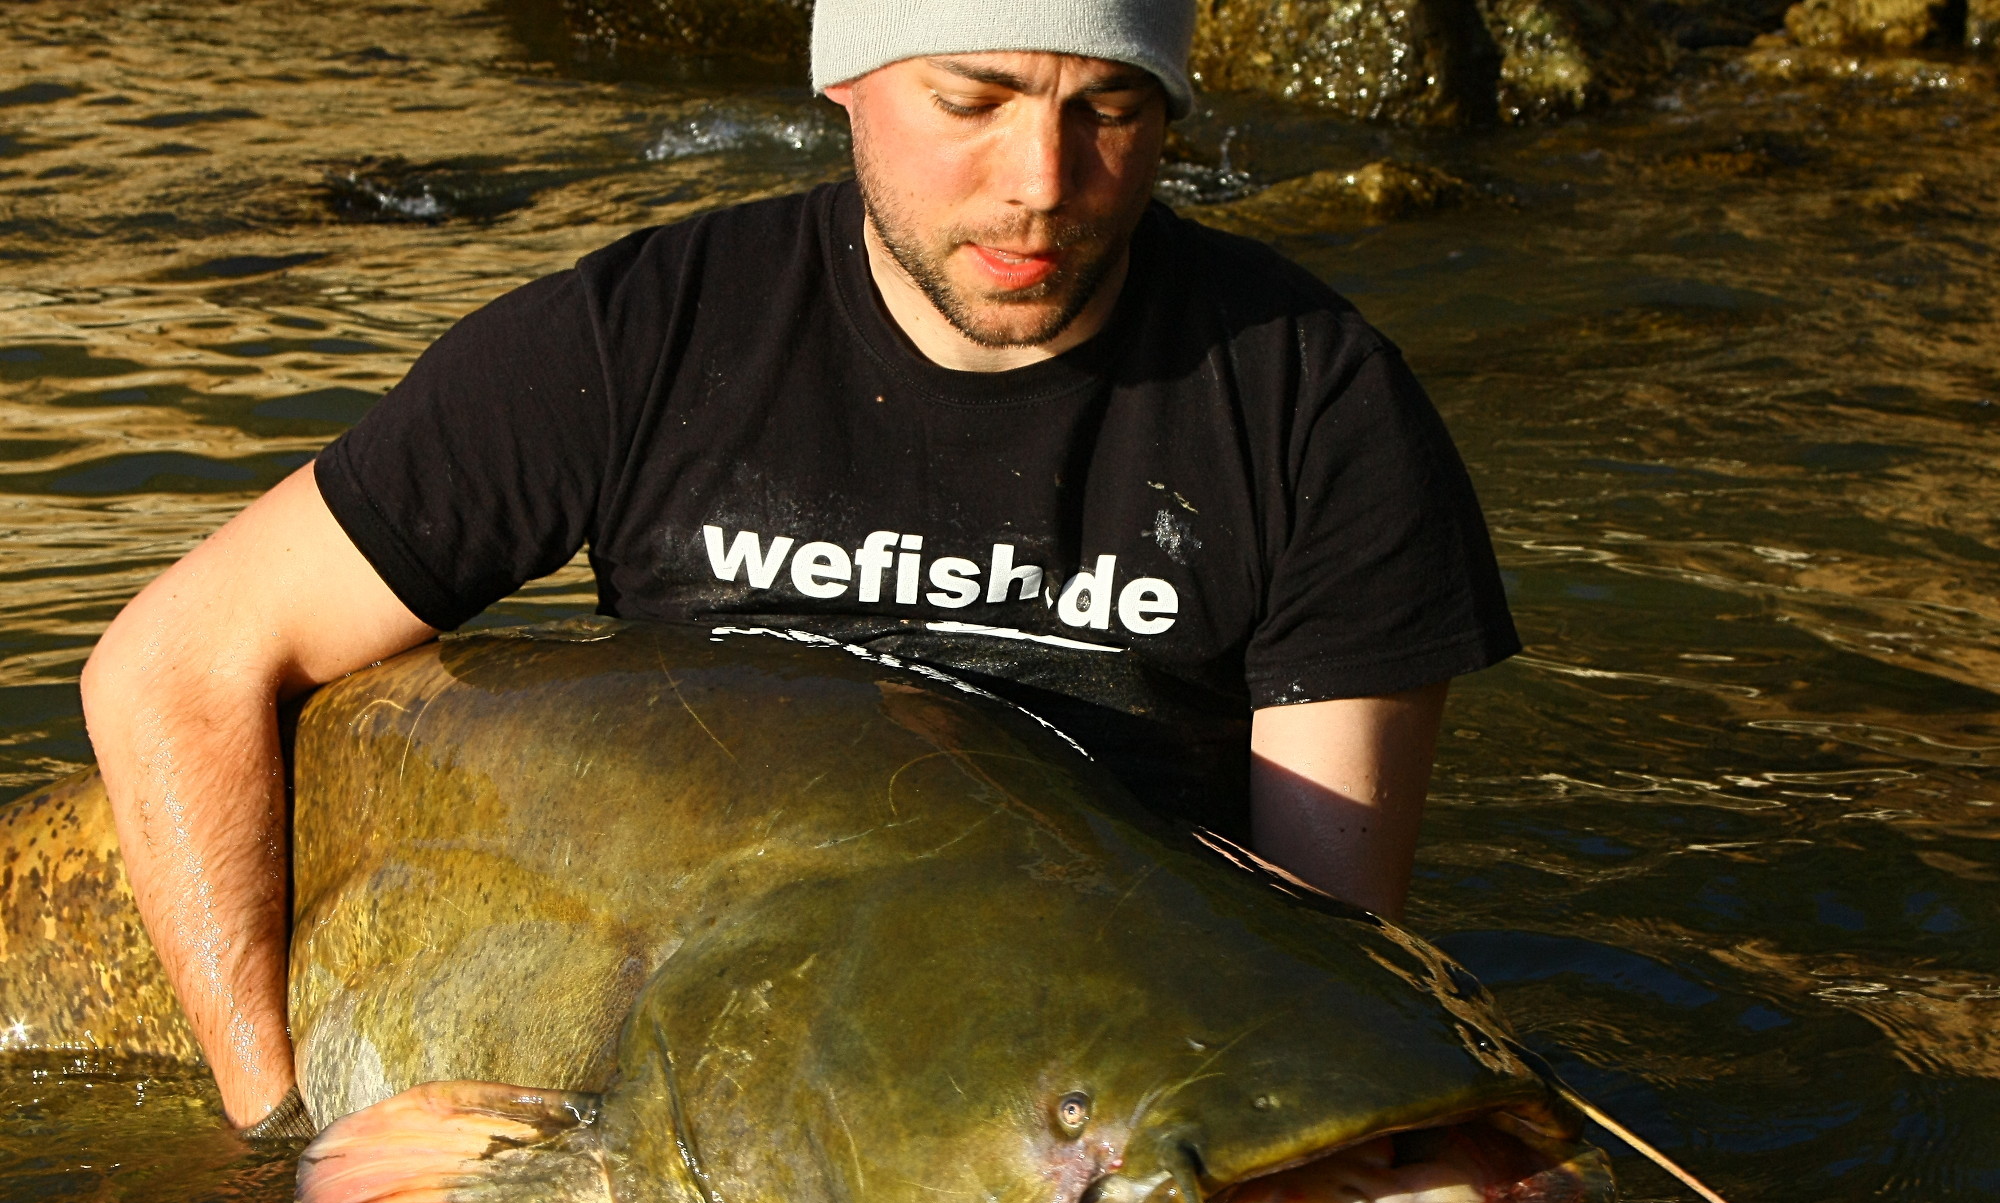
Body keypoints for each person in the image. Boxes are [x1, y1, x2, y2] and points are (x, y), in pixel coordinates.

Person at [79, 0, 1518, 1138]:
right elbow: (176, 666)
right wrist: (270, 1126)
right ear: (846, 85)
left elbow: (1320, 963)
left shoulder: (1314, 405)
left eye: (1113, 111)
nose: (1043, 186)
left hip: (1076, 1065)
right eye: (972, 101)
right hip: (706, 1046)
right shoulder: (639, 339)